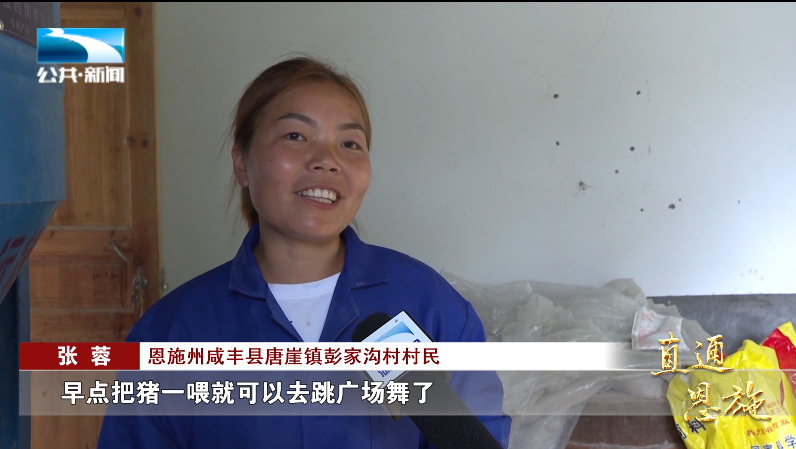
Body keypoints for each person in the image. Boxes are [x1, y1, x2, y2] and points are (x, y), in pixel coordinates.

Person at [97, 56, 511, 448]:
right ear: (242, 163)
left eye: (349, 143)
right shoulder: (170, 333)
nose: (327, 161)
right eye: (295, 136)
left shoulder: (429, 306)